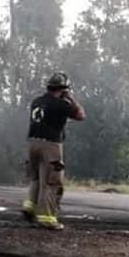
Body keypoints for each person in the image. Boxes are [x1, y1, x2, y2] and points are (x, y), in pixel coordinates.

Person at [22, 72, 85, 230]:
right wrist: (71, 98)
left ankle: (29, 207)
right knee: (51, 182)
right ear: (63, 89)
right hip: (50, 145)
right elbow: (80, 115)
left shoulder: (36, 101)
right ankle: (47, 218)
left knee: (36, 178)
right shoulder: (61, 104)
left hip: (32, 143)